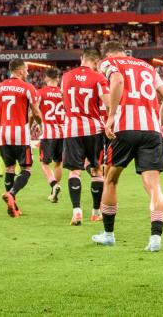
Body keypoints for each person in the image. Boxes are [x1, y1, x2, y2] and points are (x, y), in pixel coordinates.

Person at [91, 42, 163, 251]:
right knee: (154, 185)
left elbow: (117, 79)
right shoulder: (147, 67)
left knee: (110, 180)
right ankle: (155, 239)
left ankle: (108, 234)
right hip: (151, 131)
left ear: (107, 53)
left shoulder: (108, 63)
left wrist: (110, 118)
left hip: (124, 129)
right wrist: (157, 124)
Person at [61, 48, 109, 226]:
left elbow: (63, 99)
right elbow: (107, 102)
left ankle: (77, 211)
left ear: (82, 58)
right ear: (96, 61)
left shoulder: (66, 76)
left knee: (74, 171)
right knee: (97, 171)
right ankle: (96, 212)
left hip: (72, 128)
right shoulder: (98, 77)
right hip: (93, 129)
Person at [0, 60, 41, 217]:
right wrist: (43, 127)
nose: (27, 73)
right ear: (20, 71)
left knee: (10, 168)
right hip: (20, 133)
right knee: (26, 169)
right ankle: (12, 194)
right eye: (26, 70)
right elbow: (36, 113)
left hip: (4, 133)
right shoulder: (27, 87)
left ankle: (13, 204)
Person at [35, 67, 66, 204]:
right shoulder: (63, 93)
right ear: (58, 79)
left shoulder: (40, 92)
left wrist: (38, 124)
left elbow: (34, 111)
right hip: (63, 132)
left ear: (46, 78)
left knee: (44, 163)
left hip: (48, 132)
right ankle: (54, 192)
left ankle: (54, 185)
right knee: (58, 163)